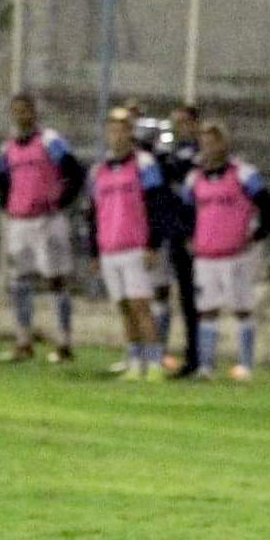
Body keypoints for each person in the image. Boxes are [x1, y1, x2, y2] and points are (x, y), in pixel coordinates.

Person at [88, 107, 178, 381]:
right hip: (109, 247)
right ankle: (135, 360)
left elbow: (157, 204)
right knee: (124, 307)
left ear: (130, 132)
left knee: (141, 305)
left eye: (122, 130)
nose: (116, 135)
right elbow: (93, 213)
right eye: (112, 130)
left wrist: (152, 244)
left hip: (135, 246)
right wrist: (94, 251)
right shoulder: (99, 170)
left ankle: (154, 363)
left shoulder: (144, 164)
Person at [182, 121, 270, 382]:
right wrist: (189, 236)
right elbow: (186, 211)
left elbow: (267, 201)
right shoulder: (195, 177)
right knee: (207, 309)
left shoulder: (243, 173)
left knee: (242, 308)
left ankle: (245, 365)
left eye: (214, 142)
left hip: (236, 254)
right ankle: (206, 366)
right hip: (206, 254)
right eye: (204, 142)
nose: (209, 147)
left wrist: (259, 233)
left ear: (224, 143)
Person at [0, 93, 85, 363]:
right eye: (16, 111)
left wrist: (61, 200)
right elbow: (1, 180)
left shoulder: (49, 141)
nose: (21, 115)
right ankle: (23, 341)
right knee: (20, 280)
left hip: (47, 220)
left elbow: (74, 171)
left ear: (34, 113)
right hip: (19, 221)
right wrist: (7, 205)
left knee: (56, 279)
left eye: (25, 110)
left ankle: (64, 342)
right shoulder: (7, 148)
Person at [153, 103, 203, 376]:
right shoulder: (171, 153)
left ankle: (197, 358)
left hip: (194, 234)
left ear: (195, 124)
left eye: (184, 122)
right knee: (175, 295)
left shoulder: (198, 155)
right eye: (176, 123)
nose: (179, 128)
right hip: (173, 231)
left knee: (193, 300)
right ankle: (165, 354)